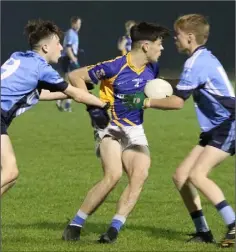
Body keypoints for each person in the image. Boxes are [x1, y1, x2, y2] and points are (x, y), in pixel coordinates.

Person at [123, 14, 235, 248]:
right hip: (216, 127)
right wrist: (153, 87)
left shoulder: (196, 62)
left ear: (190, 37)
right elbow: (183, 85)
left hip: (229, 124)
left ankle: (233, 224)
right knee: (181, 177)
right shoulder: (200, 59)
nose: (174, 39)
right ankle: (203, 231)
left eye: (178, 35)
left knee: (197, 175)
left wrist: (145, 102)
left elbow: (177, 102)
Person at [62, 22, 170, 243]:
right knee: (113, 175)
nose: (162, 49)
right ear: (146, 46)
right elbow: (75, 76)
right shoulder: (114, 66)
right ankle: (75, 225)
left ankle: (113, 230)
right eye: (160, 44)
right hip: (110, 127)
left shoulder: (153, 69)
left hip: (135, 130)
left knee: (140, 173)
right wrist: (93, 108)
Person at [1, 19, 109, 197]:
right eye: (58, 43)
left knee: (11, 175)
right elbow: (78, 95)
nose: (61, 47)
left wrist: (70, 92)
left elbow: (38, 94)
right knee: (10, 171)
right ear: (45, 47)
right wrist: (104, 104)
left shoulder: (19, 57)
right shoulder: (42, 68)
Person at [56, 16, 82, 112]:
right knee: (71, 82)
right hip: (68, 58)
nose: (79, 26)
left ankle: (62, 101)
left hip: (68, 58)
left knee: (69, 82)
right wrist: (73, 59)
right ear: (73, 23)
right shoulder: (71, 33)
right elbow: (68, 48)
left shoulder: (73, 33)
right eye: (78, 23)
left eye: (80, 24)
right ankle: (65, 103)